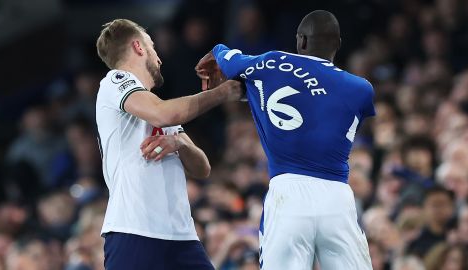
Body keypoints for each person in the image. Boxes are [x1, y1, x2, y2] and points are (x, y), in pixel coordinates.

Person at [196, 10, 375, 270]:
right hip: (337, 198)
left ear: (301, 41)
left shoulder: (272, 62)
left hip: (289, 194)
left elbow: (231, 61)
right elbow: (320, 101)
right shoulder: (361, 89)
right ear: (338, 43)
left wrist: (218, 50)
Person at [95, 19, 243, 270]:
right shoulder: (115, 82)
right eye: (153, 47)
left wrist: (180, 144)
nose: (159, 58)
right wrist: (223, 92)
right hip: (134, 231)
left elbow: (203, 168)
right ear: (139, 47)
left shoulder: (158, 108)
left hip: (181, 236)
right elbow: (164, 114)